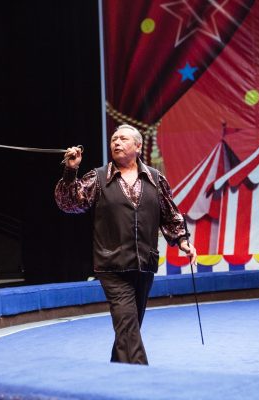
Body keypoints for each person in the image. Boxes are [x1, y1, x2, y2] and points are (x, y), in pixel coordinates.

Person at [54, 124, 196, 365]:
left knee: (128, 327)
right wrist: (70, 171)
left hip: (144, 264)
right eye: (113, 139)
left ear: (138, 147)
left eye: (123, 139)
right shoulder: (98, 177)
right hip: (112, 266)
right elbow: (70, 203)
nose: (116, 142)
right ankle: (141, 374)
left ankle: (117, 372)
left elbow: (170, 215)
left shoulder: (155, 178)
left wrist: (182, 240)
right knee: (127, 323)